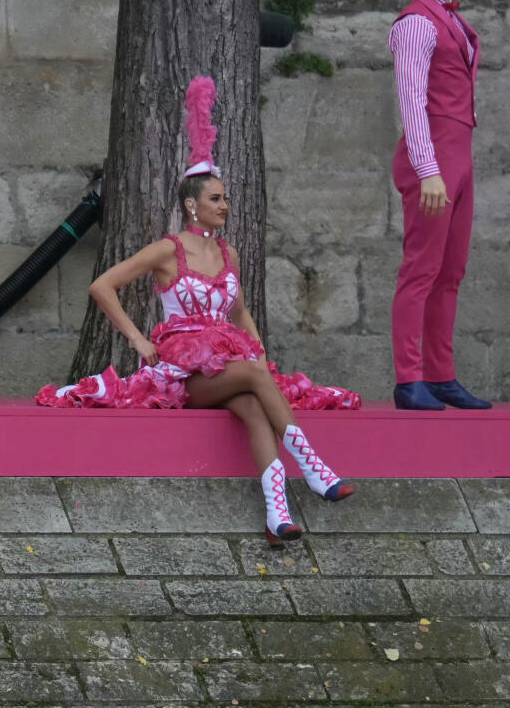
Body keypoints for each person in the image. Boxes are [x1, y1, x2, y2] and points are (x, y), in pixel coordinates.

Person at [35, 77, 357, 544]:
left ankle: (277, 514)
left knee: (251, 404)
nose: (224, 206)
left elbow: (241, 311)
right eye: (215, 198)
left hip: (228, 363)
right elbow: (102, 286)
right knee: (253, 376)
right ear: (192, 205)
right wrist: (138, 339)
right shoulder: (168, 250)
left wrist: (256, 343)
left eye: (225, 198)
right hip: (182, 372)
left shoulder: (230, 254)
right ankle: (314, 467)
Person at [386, 0, 490, 411]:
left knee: (452, 272)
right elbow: (410, 102)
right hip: (434, 159)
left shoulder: (446, 18)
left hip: (459, 155)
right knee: (420, 271)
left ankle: (441, 374)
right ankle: (410, 378)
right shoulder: (415, 23)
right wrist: (428, 169)